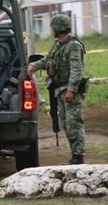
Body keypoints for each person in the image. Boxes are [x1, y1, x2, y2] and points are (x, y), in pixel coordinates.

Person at [27, 14, 87, 165]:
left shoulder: (73, 45)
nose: (51, 30)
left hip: (69, 90)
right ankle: (75, 155)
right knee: (66, 123)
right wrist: (34, 66)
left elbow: (76, 70)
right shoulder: (58, 45)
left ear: (59, 28)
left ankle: (78, 157)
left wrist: (71, 90)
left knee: (74, 123)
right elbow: (48, 60)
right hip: (60, 89)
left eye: (53, 27)